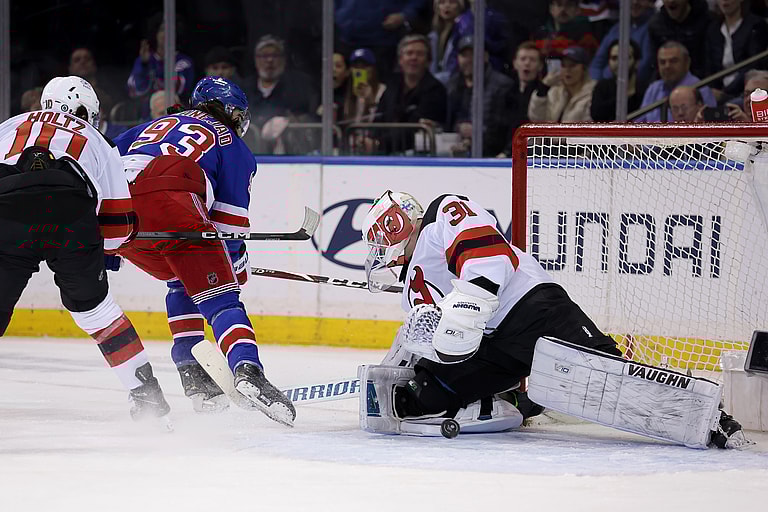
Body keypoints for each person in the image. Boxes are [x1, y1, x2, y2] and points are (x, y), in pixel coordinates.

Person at [358, 190, 748, 448]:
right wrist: (396, 366)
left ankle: (710, 417)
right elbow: (431, 339)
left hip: (531, 308)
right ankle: (522, 399)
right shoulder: (412, 286)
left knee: (610, 379)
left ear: (394, 226)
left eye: (377, 240)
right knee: (423, 395)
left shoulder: (443, 212)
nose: (377, 252)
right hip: (495, 345)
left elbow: (489, 255)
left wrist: (467, 307)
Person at [113, 76, 296, 426]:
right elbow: (229, 227)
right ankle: (247, 369)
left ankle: (193, 374)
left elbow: (99, 163)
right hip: (168, 198)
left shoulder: (147, 126)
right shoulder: (231, 144)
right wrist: (235, 268)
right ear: (229, 111)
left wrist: (102, 247)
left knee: (185, 277)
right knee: (222, 297)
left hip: (117, 217)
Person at [0, 76, 170, 422]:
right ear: (83, 111)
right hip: (70, 214)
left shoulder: (8, 126)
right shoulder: (98, 140)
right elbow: (119, 226)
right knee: (95, 312)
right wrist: (99, 249)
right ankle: (148, 399)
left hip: (6, 211)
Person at [375, 35, 447, 154]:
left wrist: (379, 143)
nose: (414, 58)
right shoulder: (392, 85)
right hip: (386, 151)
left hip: (419, 155)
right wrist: (371, 139)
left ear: (428, 61)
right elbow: (379, 117)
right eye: (409, 53)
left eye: (419, 54)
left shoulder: (435, 89)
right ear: (400, 60)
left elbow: (414, 128)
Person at [445, 35, 516, 157]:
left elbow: (501, 128)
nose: (468, 60)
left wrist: (476, 132)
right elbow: (449, 120)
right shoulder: (453, 84)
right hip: (455, 150)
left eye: (473, 54)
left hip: (490, 154)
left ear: (485, 57)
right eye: (464, 55)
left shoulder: (502, 85)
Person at [635, 41, 716, 122]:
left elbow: (709, 125)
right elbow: (639, 123)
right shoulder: (653, 89)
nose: (667, 66)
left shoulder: (701, 89)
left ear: (687, 63)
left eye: (673, 61)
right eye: (662, 62)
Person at [705, 0, 768, 102]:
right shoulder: (713, 29)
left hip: (745, 88)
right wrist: (713, 90)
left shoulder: (755, 25)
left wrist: (725, 92)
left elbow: (753, 65)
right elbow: (709, 66)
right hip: (719, 90)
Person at [127, 14, 195, 106]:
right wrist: (144, 65)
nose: (166, 33)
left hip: (175, 113)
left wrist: (163, 63)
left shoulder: (184, 62)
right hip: (148, 115)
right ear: (155, 33)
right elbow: (134, 90)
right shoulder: (144, 61)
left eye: (170, 30)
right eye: (162, 29)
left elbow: (179, 88)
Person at [588, 0, 655, 85]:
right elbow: (597, 64)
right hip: (607, 86)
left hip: (634, 87)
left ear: (651, 2)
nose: (635, 2)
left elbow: (645, 65)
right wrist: (596, 84)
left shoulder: (652, 28)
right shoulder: (616, 29)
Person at [528, 45, 596, 123]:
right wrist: (543, 88)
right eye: (563, 65)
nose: (567, 70)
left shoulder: (593, 93)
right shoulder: (555, 92)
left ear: (584, 68)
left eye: (572, 65)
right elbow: (536, 119)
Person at [648, 0, 712, 79]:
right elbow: (655, 66)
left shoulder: (707, 21)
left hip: (700, 83)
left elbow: (710, 64)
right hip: (668, 83)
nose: (671, 1)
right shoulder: (656, 25)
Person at [590, 39, 648, 121]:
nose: (619, 62)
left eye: (625, 58)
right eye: (614, 58)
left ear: (637, 62)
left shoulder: (645, 89)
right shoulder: (603, 86)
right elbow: (596, 115)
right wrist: (626, 97)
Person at [428, 0, 467, 84]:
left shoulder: (463, 32)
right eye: (442, 2)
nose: (447, 6)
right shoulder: (433, 36)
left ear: (460, 6)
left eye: (452, 2)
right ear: (437, 7)